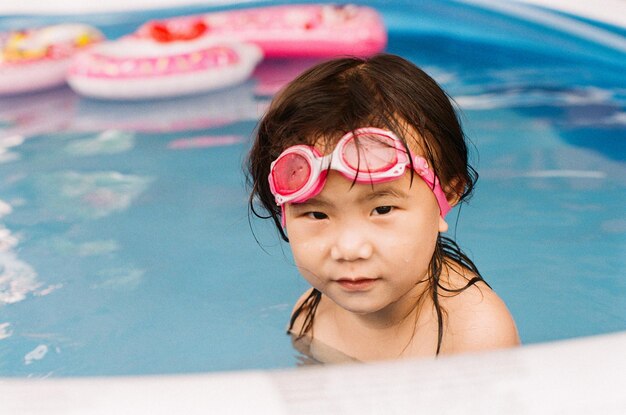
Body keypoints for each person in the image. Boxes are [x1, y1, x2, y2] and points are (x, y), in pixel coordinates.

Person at [247, 53, 519, 362]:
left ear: (447, 193)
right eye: (317, 214)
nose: (349, 249)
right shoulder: (310, 315)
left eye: (383, 210)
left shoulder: (476, 334)